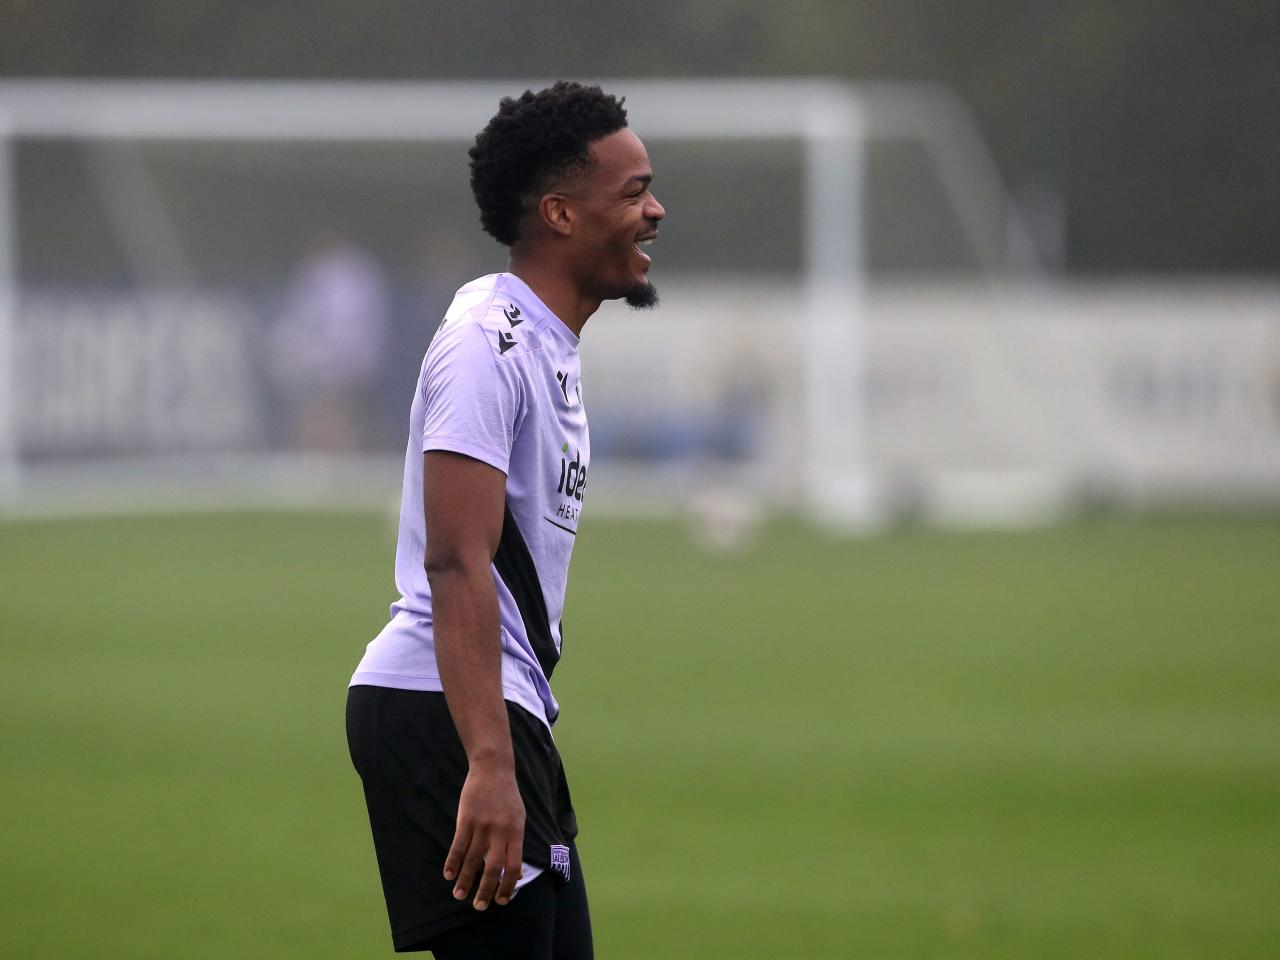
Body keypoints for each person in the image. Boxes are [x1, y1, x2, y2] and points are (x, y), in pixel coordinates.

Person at [345, 82, 665, 959]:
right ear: (561, 213)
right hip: (447, 714)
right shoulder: (489, 345)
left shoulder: (542, 347)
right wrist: (486, 761)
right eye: (633, 192)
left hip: (498, 710)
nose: (655, 211)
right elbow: (456, 560)